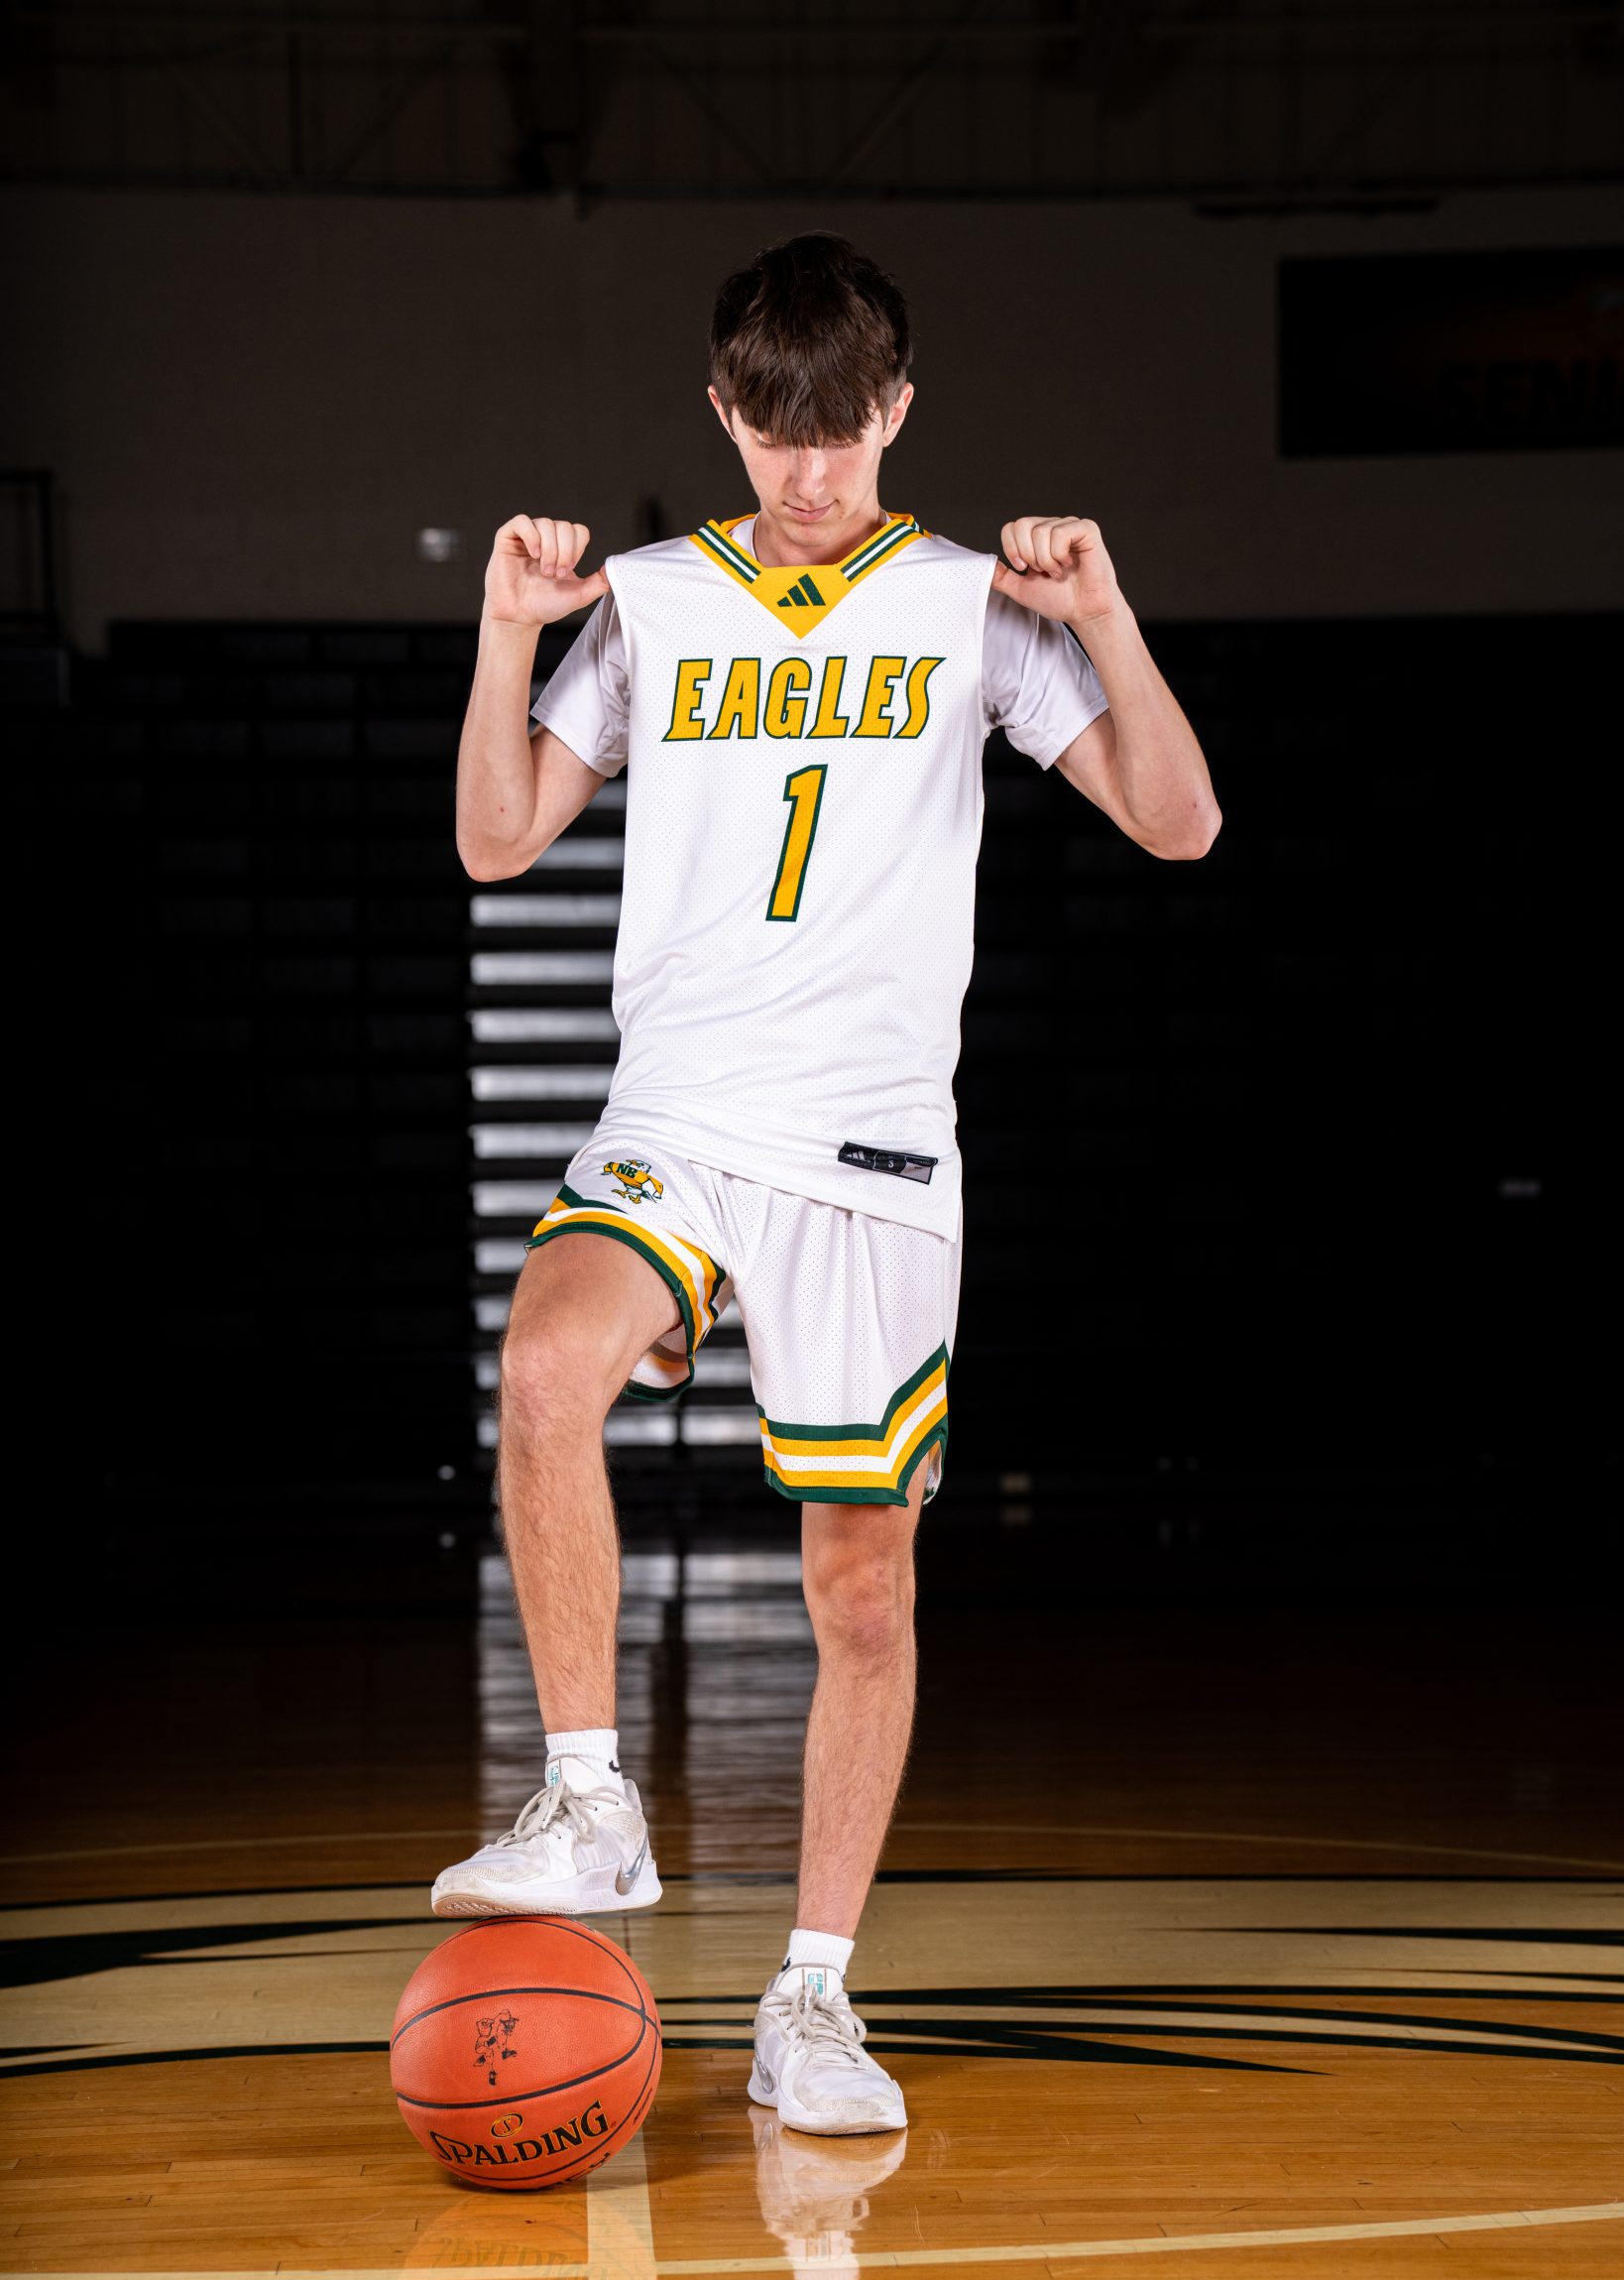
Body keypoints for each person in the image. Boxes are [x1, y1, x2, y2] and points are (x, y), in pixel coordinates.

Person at [434, 231, 1219, 2136]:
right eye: (774, 432)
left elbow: (1179, 821)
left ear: (897, 409)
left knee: (860, 1591)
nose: (806, 472)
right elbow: (497, 842)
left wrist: (1107, 615)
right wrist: (508, 631)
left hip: (872, 1147)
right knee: (543, 1370)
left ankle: (809, 2002)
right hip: (683, 1110)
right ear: (723, 412)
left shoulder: (970, 607)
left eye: (840, 432)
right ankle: (591, 1797)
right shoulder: (647, 602)